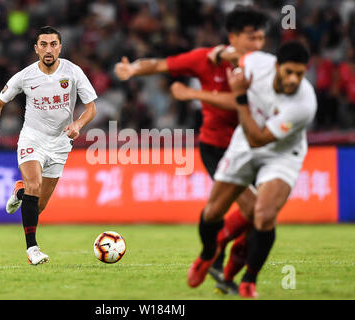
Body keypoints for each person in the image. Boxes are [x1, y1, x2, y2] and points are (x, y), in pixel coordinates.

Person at [114, 6, 268, 294]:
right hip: (218, 146)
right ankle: (218, 257)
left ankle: (222, 265)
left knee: (258, 216)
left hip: (257, 145)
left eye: (261, 39)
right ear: (233, 37)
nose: (258, 45)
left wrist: (193, 94)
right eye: (251, 38)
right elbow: (160, 65)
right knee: (253, 210)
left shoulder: (261, 67)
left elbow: (241, 102)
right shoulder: (203, 59)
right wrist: (133, 68)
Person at [187, 41, 317, 298]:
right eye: (289, 71)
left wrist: (241, 97)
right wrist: (219, 53)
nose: (293, 79)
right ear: (276, 66)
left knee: (264, 214)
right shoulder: (258, 63)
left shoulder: (304, 104)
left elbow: (259, 138)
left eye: (300, 74)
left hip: (280, 154)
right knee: (213, 212)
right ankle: (207, 254)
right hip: (242, 147)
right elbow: (237, 55)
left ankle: (249, 280)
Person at [0, 26, 97, 265]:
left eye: (53, 44)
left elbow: (91, 108)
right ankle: (32, 249)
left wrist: (77, 124)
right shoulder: (25, 76)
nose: (49, 49)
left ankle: (19, 192)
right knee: (34, 185)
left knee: (39, 205)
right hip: (32, 138)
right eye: (43, 44)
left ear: (60, 47)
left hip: (60, 143)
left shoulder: (73, 72)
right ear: (36, 49)